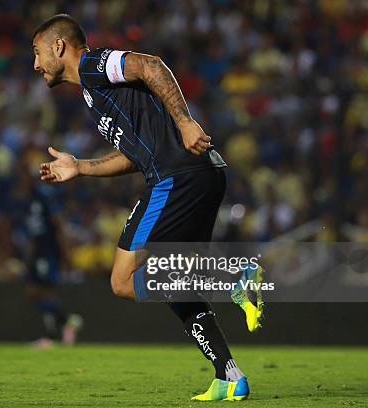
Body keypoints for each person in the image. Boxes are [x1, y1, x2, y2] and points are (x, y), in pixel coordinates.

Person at [33, 14, 262, 401]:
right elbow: (132, 154)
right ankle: (229, 374)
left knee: (124, 280)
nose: (36, 64)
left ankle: (234, 275)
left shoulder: (92, 65)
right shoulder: (94, 93)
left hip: (177, 177)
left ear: (59, 47)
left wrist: (186, 121)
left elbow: (150, 64)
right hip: (195, 174)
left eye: (38, 53)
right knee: (174, 283)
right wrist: (80, 168)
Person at [14, 170, 82, 348]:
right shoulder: (26, 201)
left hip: (48, 251)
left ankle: (51, 335)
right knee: (34, 291)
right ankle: (67, 322)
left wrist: (65, 252)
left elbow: (57, 223)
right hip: (37, 252)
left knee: (44, 290)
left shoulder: (43, 196)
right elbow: (32, 231)